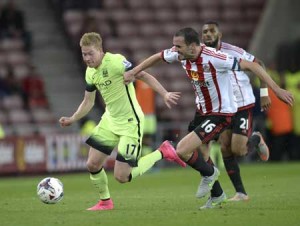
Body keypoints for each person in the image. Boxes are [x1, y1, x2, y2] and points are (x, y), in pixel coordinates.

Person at [124, 27, 294, 209]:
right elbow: (157, 56)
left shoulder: (216, 58)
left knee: (182, 150)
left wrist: (275, 90)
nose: (175, 50)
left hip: (220, 114)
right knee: (201, 154)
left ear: (192, 47)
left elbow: (253, 65)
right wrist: (134, 71)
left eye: (178, 46)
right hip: (202, 111)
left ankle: (211, 173)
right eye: (174, 46)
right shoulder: (180, 54)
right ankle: (217, 194)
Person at [59, 32, 186, 211]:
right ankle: (105, 202)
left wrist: (164, 93)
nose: (87, 58)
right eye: (84, 54)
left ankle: (163, 151)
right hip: (110, 120)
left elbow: (143, 75)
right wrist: (73, 118)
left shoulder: (116, 61)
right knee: (92, 164)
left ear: (100, 50)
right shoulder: (90, 72)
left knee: (122, 177)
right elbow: (88, 101)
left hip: (130, 122)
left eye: (90, 53)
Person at [189, 21, 272, 202]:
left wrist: (265, 93)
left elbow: (259, 64)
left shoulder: (233, 51)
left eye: (212, 31)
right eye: (205, 32)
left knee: (239, 150)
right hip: (225, 108)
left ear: (220, 34)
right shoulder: (201, 53)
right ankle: (241, 193)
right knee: (226, 147)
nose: (208, 34)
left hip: (243, 105)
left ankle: (256, 138)